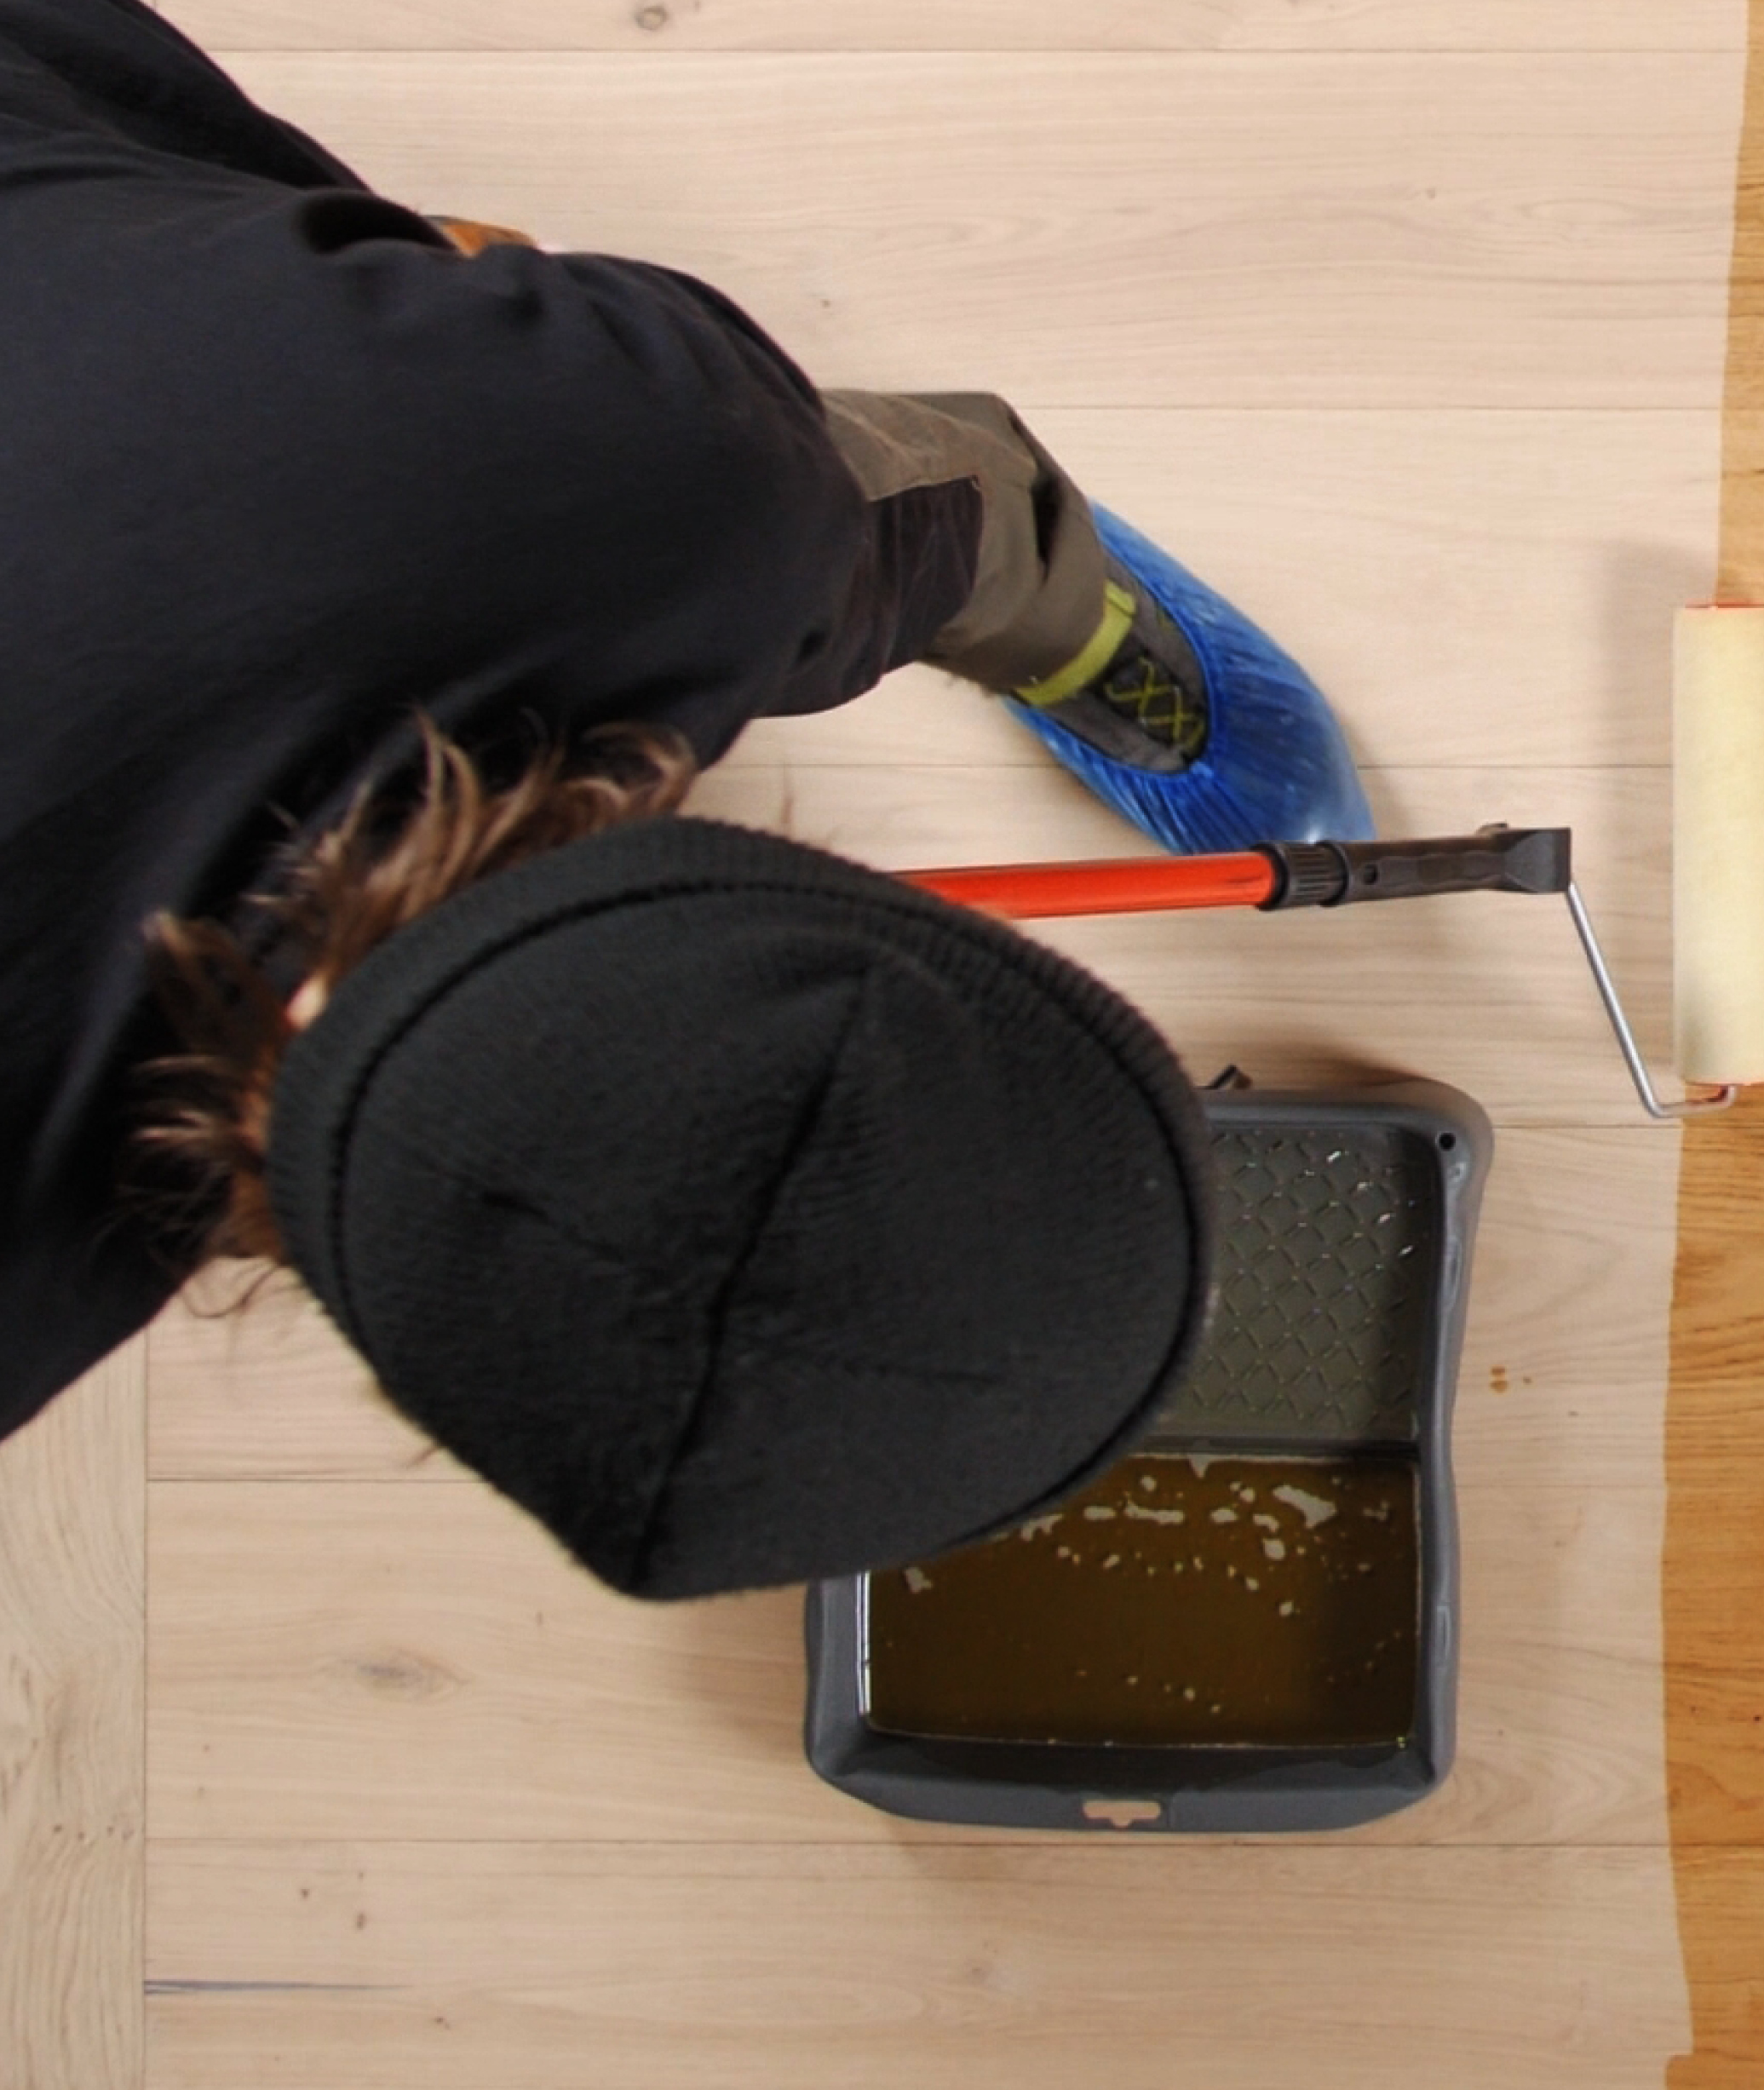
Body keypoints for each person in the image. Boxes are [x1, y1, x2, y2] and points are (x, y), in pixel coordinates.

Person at [0, 0, 1373, 1595]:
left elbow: (598, 402)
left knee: (735, 508)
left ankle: (1036, 571)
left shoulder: (596, 471)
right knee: (705, 514)